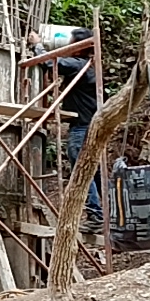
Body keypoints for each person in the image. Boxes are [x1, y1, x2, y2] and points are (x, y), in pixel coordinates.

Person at [28, 27, 104, 233]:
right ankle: (108, 215)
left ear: (78, 47)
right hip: (92, 125)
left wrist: (37, 45)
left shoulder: (79, 64)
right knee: (95, 172)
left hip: (82, 127)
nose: (67, 45)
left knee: (81, 170)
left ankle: (96, 215)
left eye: (71, 42)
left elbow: (50, 62)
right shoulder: (90, 66)